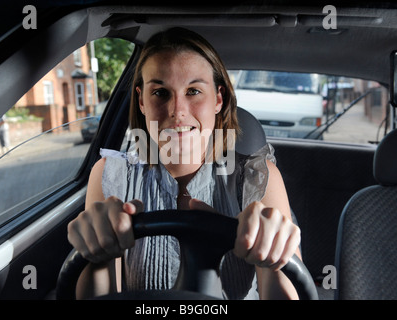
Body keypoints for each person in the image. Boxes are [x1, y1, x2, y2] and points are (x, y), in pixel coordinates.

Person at [67, 27, 301, 300]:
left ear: (218, 99)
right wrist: (98, 257)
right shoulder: (111, 176)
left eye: (193, 91)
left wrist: (273, 259)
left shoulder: (258, 178)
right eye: (160, 93)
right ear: (141, 101)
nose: (177, 111)